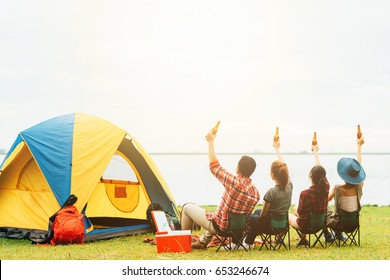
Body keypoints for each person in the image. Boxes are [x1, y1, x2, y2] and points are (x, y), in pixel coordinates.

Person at [181, 128, 260, 249]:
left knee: (187, 207)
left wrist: (210, 142)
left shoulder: (235, 183)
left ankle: (183, 244)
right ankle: (203, 242)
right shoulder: (255, 192)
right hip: (236, 229)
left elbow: (214, 167)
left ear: (238, 169)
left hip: (221, 228)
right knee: (220, 210)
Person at [243, 139, 293, 249]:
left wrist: (252, 218)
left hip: (271, 227)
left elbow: (263, 216)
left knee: (249, 217)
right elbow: (285, 168)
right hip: (282, 225)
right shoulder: (289, 185)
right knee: (256, 211)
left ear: (273, 175)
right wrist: (277, 149)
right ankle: (249, 241)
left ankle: (247, 243)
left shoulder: (271, 192)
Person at [288, 144, 331, 246]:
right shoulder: (326, 188)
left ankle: (278, 240)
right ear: (323, 177)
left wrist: (295, 210)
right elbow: (321, 171)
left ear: (310, 175)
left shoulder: (305, 193)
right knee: (303, 212)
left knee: (289, 214)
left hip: (306, 226)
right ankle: (304, 239)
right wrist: (315, 152)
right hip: (320, 225)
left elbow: (300, 213)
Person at [325, 135, 366, 237]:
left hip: (339, 224)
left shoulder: (338, 188)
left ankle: (327, 235)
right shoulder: (359, 186)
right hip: (353, 224)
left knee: (324, 210)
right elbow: (358, 166)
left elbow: (326, 200)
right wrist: (359, 146)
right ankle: (337, 235)